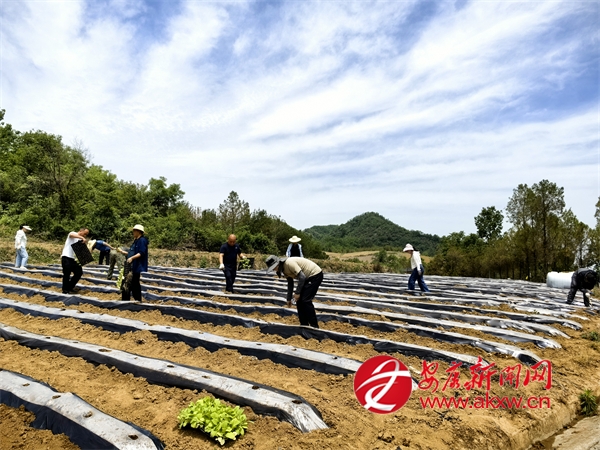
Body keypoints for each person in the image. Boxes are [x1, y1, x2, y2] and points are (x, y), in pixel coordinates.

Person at [265, 255, 322, 328]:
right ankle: (304, 325)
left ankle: (314, 326)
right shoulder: (284, 270)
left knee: (305, 300)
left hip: (315, 275)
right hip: (307, 278)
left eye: (274, 268)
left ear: (278, 264)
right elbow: (290, 283)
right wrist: (289, 298)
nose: (274, 270)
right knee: (299, 301)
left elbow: (302, 277)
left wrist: (297, 293)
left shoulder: (289, 263)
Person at [117, 224, 148, 301]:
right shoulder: (136, 240)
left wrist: (132, 258)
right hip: (130, 265)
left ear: (138, 232)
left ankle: (137, 300)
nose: (133, 232)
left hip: (135, 266)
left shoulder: (142, 240)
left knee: (134, 283)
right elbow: (133, 252)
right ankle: (126, 300)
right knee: (127, 283)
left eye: (134, 231)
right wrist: (124, 252)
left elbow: (141, 253)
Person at [61, 228, 89, 294]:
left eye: (86, 235)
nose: (85, 235)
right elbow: (71, 235)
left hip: (73, 259)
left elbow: (80, 252)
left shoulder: (79, 240)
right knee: (67, 274)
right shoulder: (73, 233)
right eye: (84, 234)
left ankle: (70, 287)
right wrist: (82, 237)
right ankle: (65, 290)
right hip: (66, 257)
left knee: (79, 272)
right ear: (81, 231)